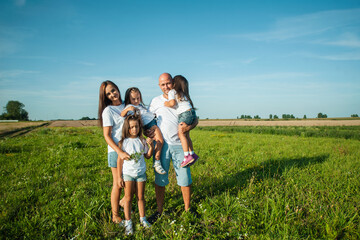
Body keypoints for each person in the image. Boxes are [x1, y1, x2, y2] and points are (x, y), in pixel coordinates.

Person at [147, 73, 199, 224]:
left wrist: (191, 126)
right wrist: (148, 132)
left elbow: (194, 119)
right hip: (161, 146)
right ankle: (159, 211)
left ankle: (188, 209)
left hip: (178, 145)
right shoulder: (155, 101)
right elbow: (148, 120)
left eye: (168, 83)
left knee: (185, 178)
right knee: (160, 179)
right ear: (159, 86)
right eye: (163, 84)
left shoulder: (179, 96)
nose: (166, 87)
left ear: (173, 83)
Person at [98, 80, 129, 224]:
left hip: (130, 150)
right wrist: (119, 151)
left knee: (130, 182)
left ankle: (123, 202)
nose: (112, 94)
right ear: (105, 97)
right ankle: (115, 215)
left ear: (118, 89)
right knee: (118, 183)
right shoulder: (108, 111)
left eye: (113, 90)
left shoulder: (127, 105)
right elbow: (107, 135)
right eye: (108, 94)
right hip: (116, 151)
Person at [117, 113, 153, 235]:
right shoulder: (124, 142)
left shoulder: (142, 140)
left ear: (139, 127)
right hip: (128, 174)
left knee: (141, 197)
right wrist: (119, 176)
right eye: (131, 127)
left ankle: (143, 219)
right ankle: (128, 222)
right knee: (128, 198)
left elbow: (147, 156)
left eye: (136, 126)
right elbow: (119, 161)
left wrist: (151, 146)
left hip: (141, 174)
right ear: (127, 128)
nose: (134, 129)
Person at [120, 87, 166, 175]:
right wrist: (128, 109)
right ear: (128, 99)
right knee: (160, 141)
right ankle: (157, 162)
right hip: (150, 125)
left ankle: (157, 161)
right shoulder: (130, 107)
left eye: (138, 98)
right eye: (133, 99)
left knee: (159, 141)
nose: (136, 100)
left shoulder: (140, 106)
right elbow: (122, 114)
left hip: (152, 122)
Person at [164, 75, 199, 167]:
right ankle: (192, 153)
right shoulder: (183, 94)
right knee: (186, 135)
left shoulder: (172, 92)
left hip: (184, 114)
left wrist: (166, 103)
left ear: (174, 84)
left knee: (181, 134)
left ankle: (187, 156)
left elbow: (172, 103)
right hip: (191, 113)